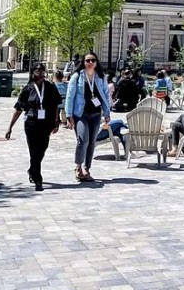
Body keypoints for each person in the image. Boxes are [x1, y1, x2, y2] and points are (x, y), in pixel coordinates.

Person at [6, 63, 63, 191]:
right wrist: (10, 127)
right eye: (37, 71)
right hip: (31, 122)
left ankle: (32, 169)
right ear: (32, 73)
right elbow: (19, 108)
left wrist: (56, 121)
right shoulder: (28, 88)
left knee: (42, 148)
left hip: (46, 123)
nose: (40, 73)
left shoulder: (50, 87)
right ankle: (38, 178)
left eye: (42, 71)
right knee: (34, 150)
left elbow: (55, 106)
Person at [65, 52, 112, 182]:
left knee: (91, 142)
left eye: (93, 60)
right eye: (88, 60)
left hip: (96, 114)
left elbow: (105, 95)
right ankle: (78, 167)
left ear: (96, 63)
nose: (90, 63)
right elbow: (70, 96)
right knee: (82, 140)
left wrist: (107, 114)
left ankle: (87, 168)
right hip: (80, 114)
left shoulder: (101, 77)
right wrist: (69, 115)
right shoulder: (77, 77)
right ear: (83, 62)